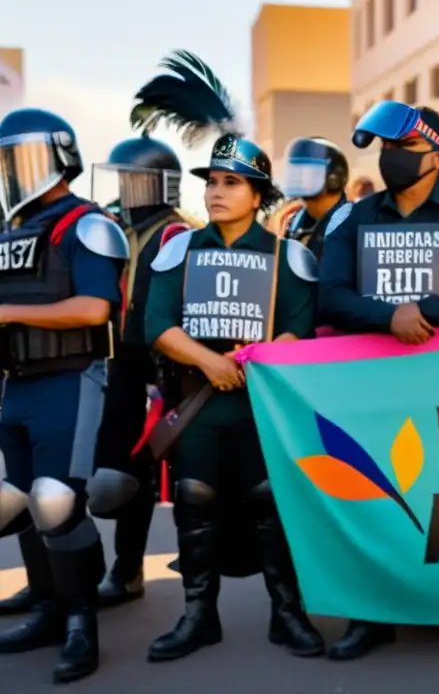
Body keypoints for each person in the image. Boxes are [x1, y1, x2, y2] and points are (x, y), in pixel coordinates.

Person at [130, 50, 324, 662]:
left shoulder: (289, 256)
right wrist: (210, 361)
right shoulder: (177, 250)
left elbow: (302, 332)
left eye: (230, 182)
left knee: (273, 501)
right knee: (194, 501)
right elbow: (154, 324)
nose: (215, 191)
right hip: (198, 403)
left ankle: (286, 614)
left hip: (263, 407)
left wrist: (262, 353)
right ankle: (197, 616)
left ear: (258, 193)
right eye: (211, 182)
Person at [318, 100, 439, 659]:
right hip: (368, 386)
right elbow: (329, 296)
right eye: (387, 149)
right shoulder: (349, 218)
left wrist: (428, 309)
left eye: (404, 149)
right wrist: (388, 317)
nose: (392, 159)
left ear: (437, 156)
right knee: (374, 500)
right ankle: (371, 613)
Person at [0, 107, 130, 683]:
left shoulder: (89, 224)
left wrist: (6, 312)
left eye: (23, 156)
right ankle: (49, 608)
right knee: (22, 499)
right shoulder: (11, 231)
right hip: (17, 381)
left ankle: (82, 624)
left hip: (70, 378)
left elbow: (93, 308)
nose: (13, 170)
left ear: (61, 157)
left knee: (57, 500)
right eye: (7, 158)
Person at [84, 134, 202, 609]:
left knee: (190, 479)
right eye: (124, 178)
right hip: (123, 367)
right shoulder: (114, 227)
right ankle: (127, 571)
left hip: (167, 368)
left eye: (137, 179)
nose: (127, 187)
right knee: (122, 476)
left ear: (161, 184)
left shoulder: (178, 233)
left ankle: (196, 583)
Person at [265, 137, 349, 259]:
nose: (298, 177)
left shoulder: (348, 223)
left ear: (333, 178)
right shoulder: (294, 218)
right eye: (295, 170)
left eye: (306, 171)